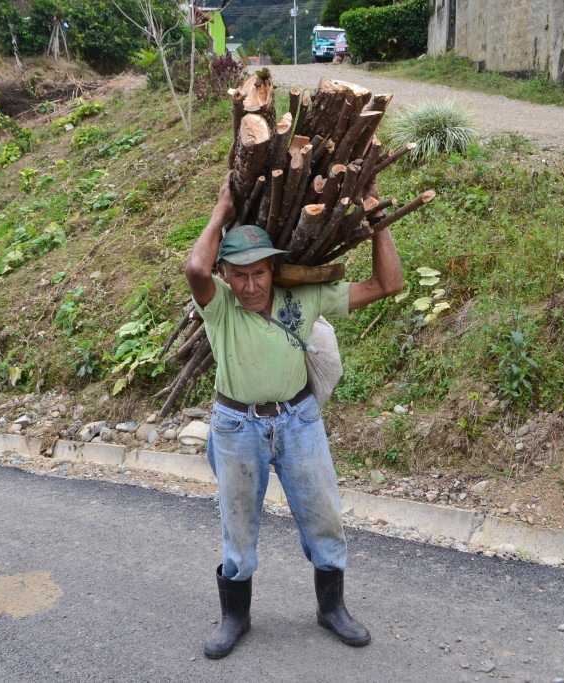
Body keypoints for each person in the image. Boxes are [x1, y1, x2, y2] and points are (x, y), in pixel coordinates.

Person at [185, 172, 404, 659]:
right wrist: (221, 211)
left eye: (259, 273)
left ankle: (332, 609)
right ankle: (234, 618)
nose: (249, 285)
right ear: (225, 274)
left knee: (324, 517)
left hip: (298, 421)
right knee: (237, 528)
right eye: (238, 274)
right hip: (236, 427)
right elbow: (194, 269)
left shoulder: (302, 298)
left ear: (274, 270)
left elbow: (388, 284)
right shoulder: (219, 307)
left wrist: (378, 221)